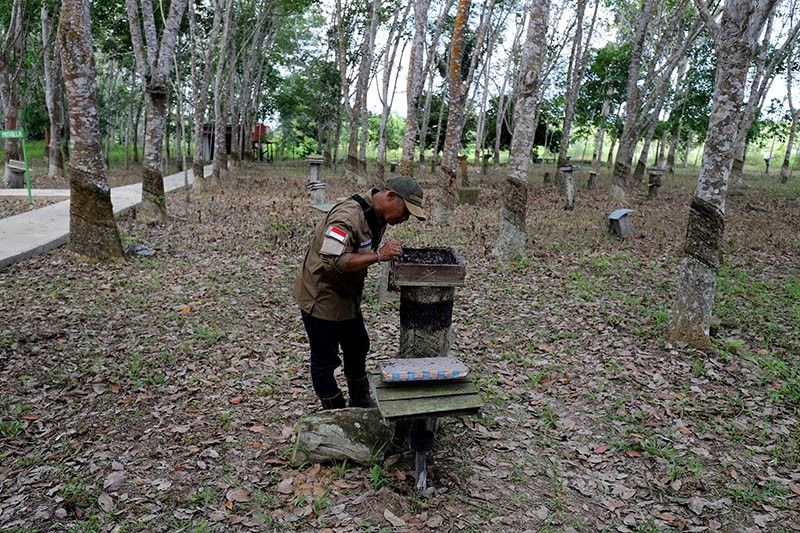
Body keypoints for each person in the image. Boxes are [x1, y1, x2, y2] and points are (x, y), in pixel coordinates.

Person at [293, 175, 426, 409]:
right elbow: (333, 261)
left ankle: (360, 399)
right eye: (405, 211)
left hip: (347, 297)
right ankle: (334, 410)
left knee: (357, 345)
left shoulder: (377, 215)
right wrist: (377, 256)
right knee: (325, 359)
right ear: (390, 197)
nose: (405, 218)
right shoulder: (347, 217)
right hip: (322, 297)